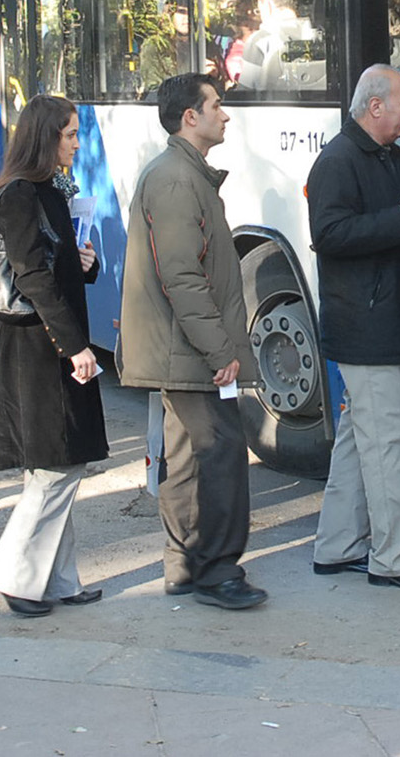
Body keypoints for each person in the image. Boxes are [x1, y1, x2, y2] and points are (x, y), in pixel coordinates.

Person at [117, 73, 265, 611]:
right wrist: (219, 350)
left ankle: (185, 566)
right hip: (187, 350)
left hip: (181, 347)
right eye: (217, 106)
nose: (225, 115)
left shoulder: (183, 173)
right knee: (220, 452)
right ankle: (216, 570)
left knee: (185, 457)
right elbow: (182, 277)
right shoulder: (178, 180)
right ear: (190, 117)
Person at [306, 64, 400, 591]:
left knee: (358, 435)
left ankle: (337, 546)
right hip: (366, 325)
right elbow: (328, 233)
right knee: (388, 440)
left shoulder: (391, 157)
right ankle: (395, 559)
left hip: (383, 319)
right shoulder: (338, 162)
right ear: (374, 107)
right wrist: (399, 220)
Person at [0, 96, 109, 617]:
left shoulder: (44, 189)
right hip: (41, 347)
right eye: (70, 135)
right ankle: (13, 577)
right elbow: (30, 277)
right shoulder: (20, 194)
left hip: (51, 339)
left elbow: (49, 266)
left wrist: (82, 263)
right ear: (45, 136)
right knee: (56, 468)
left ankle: (55, 581)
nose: (77, 144)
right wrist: (75, 346)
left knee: (57, 466)